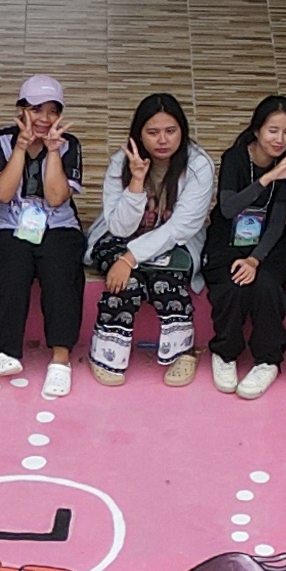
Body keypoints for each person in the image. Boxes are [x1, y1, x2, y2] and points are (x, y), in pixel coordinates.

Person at [86, 90, 210, 386]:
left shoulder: (198, 165)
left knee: (167, 277)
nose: (162, 140)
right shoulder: (122, 161)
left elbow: (180, 228)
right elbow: (119, 227)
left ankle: (182, 352)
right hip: (119, 237)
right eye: (153, 132)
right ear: (139, 134)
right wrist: (136, 182)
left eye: (170, 131)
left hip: (176, 241)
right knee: (126, 283)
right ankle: (106, 353)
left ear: (183, 131)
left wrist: (130, 259)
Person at [0, 77, 88, 393]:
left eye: (53, 111)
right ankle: (4, 351)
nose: (45, 118)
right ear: (21, 109)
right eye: (37, 109)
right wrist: (21, 147)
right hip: (9, 224)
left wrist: (53, 151)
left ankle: (60, 360)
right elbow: (3, 193)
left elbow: (56, 197)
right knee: (11, 265)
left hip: (59, 225)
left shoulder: (68, 144)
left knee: (59, 268)